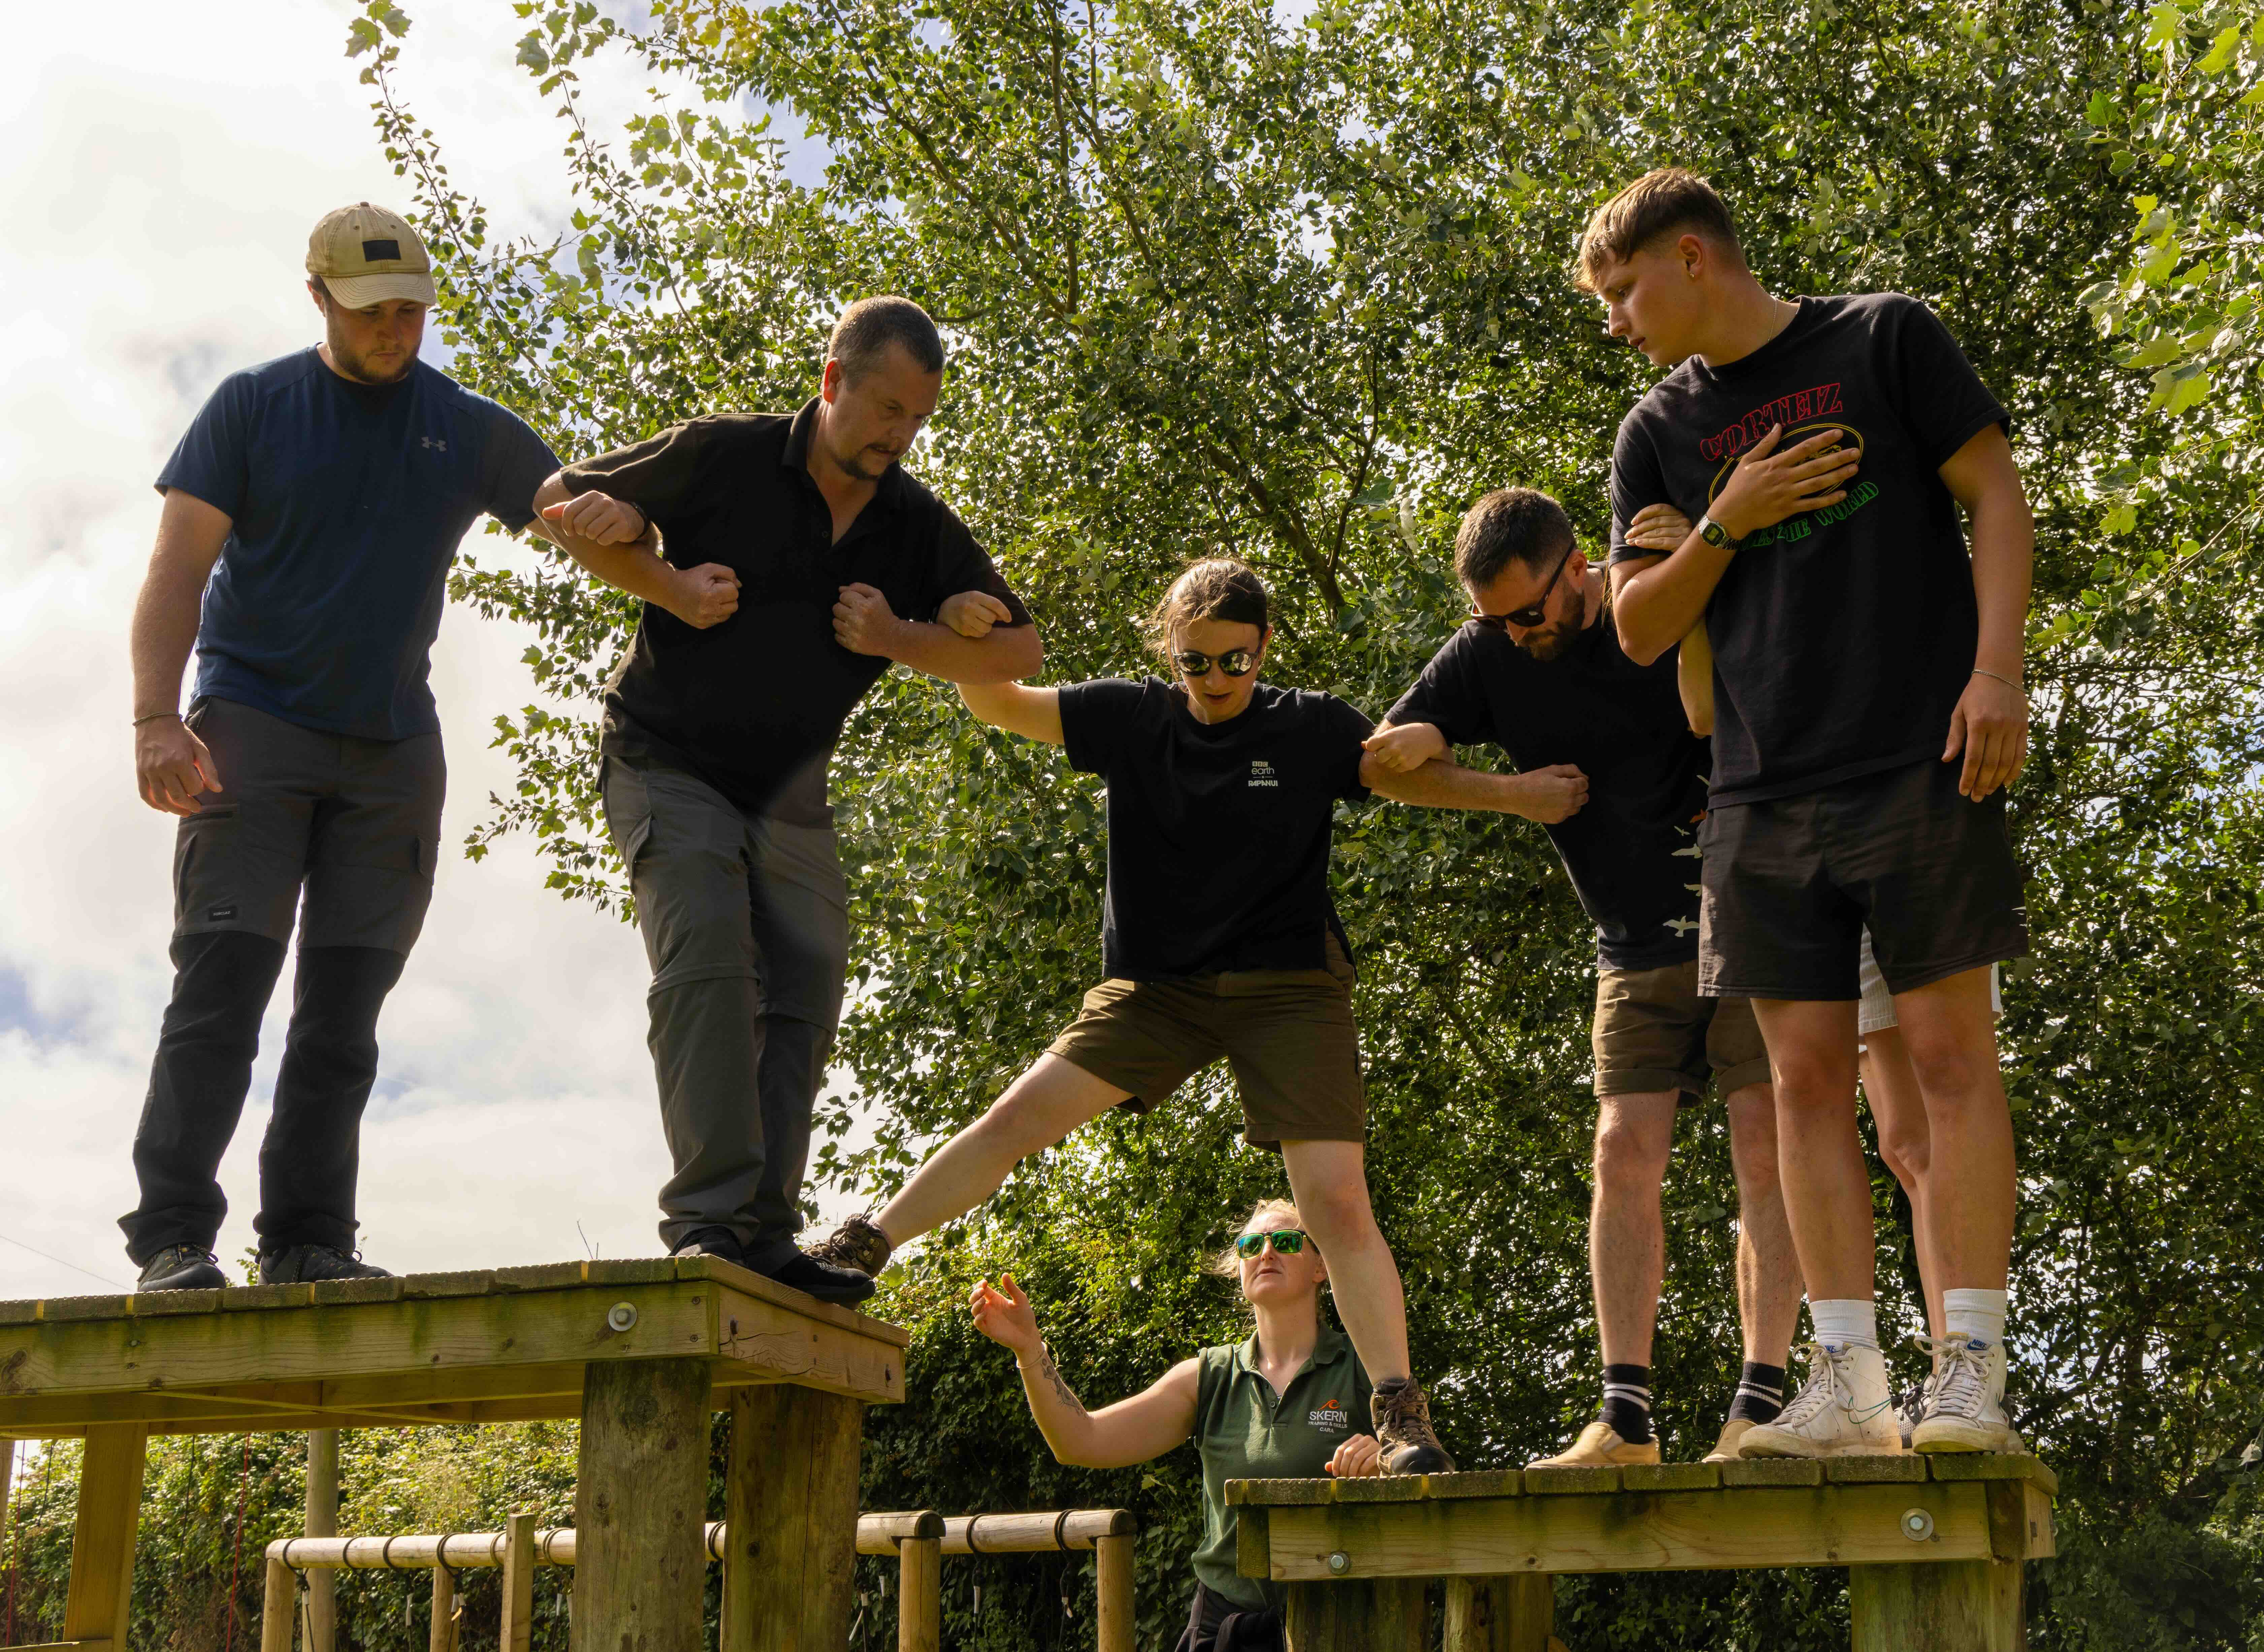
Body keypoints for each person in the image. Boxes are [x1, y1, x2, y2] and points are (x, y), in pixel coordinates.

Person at [806, 556, 1572, 1469]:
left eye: (1233, 662)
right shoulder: (1132, 716)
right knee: (1015, 1117)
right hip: (1154, 992)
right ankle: (862, 1243)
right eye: (1194, 662)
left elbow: (1406, 775)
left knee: (1333, 1200)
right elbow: (1001, 703)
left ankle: (1401, 1416)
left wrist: (1518, 795)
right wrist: (959, 634)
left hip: (1288, 988)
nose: (1213, 682)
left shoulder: (1310, 726)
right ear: (1169, 651)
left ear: (1264, 648)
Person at [1594, 167, 2033, 1455]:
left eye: (1623, 292)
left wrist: (1997, 671)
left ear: (1689, 257)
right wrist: (1724, 523)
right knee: (1799, 1084)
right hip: (1757, 792)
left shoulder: (1883, 335)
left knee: (1951, 1065)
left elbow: (1995, 491)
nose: (1615, 320)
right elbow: (1637, 630)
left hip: (1917, 758)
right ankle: (1846, 1379)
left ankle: (1971, 1372)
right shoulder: (1655, 428)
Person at [531, 297, 1042, 1303]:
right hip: (666, 759)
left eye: (918, 419)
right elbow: (561, 498)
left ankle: (764, 1234)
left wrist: (905, 636)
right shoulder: (724, 455)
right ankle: (711, 1225)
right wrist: (665, 581)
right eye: (885, 407)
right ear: (832, 380)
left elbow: (1019, 649)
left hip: (789, 798)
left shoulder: (912, 523)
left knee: (803, 992)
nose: (898, 434)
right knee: (710, 966)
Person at [122, 204, 564, 1291]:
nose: (395, 328)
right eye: (372, 311)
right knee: (223, 981)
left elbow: (573, 506)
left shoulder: (464, 425)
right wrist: (152, 718)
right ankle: (175, 1235)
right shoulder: (252, 408)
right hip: (250, 728)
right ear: (318, 297)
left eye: (412, 309)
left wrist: (666, 556)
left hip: (390, 752)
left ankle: (307, 1240)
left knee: (343, 1009)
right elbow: (175, 571)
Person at [1363, 489, 1804, 1466]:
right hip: (1632, 940)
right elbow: (1387, 764)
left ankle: (1760, 1406)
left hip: (1753, 915)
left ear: (1579, 571)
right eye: (1493, 618)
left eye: (1530, 611)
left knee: (1765, 1146)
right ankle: (1627, 1418)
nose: (1516, 635)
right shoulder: (1489, 649)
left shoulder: (1662, 593)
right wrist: (1511, 795)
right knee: (1619, 1151)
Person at [1679, 630, 2011, 1449]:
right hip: (1782, 818)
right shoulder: (1693, 524)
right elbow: (1695, 704)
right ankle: (1864, 1386)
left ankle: (1961, 1376)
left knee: (1933, 1120)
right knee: (1899, 1138)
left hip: (1901, 788)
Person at [969, 1200, 1381, 1652]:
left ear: (1321, 1266)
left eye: (1284, 1241)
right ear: (1239, 1269)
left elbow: (1427, 1463)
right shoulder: (1208, 1377)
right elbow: (1080, 1440)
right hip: (1225, 1627)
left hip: (1341, 1622)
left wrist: (1384, 1459)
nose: (1265, 1252)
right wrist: (1030, 1351)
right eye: (1249, 1245)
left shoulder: (1366, 1366)